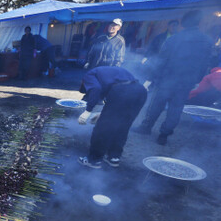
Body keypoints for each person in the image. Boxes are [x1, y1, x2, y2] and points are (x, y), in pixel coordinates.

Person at [134, 10, 214, 145]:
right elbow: (206, 63)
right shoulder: (207, 41)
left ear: (183, 23)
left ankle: (146, 127)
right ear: (198, 23)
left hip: (167, 79)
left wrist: (152, 77)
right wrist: (197, 80)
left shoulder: (174, 39)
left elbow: (162, 60)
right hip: (187, 81)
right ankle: (164, 135)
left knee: (156, 105)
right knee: (176, 108)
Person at [77, 66, 147, 169]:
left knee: (103, 128)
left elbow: (96, 89)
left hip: (123, 92)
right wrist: (102, 113)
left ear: (84, 83)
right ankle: (114, 157)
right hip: (140, 91)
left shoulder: (88, 76)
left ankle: (94, 160)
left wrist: (88, 111)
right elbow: (114, 104)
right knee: (123, 125)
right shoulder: (106, 74)